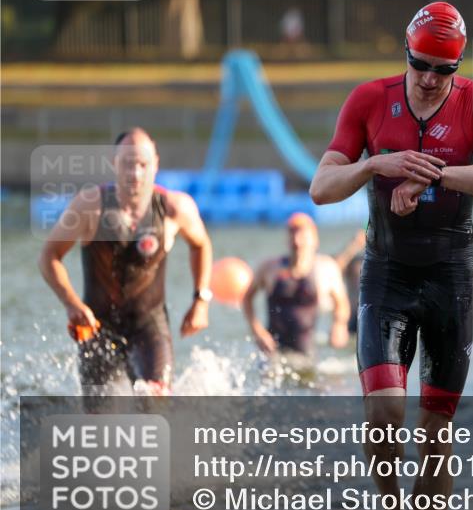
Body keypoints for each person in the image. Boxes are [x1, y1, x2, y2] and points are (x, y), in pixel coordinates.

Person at [309, 1, 473, 510]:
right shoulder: (369, 99)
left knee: (435, 431)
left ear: (459, 67)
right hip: (386, 271)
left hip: (451, 275)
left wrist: (433, 172)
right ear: (404, 52)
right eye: (421, 64)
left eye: (443, 69)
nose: (430, 79)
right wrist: (373, 166)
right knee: (383, 412)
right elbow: (322, 187)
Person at [38, 128, 213, 408]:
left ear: (155, 165)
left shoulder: (174, 208)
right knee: (101, 423)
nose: (135, 173)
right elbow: (49, 256)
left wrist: (201, 299)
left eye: (143, 165)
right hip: (97, 328)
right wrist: (70, 303)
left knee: (155, 406)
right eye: (127, 164)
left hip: (149, 326)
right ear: (114, 164)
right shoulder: (89, 206)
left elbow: (201, 245)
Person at [241, 213, 351, 360]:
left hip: (305, 356)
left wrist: (339, 325)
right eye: (293, 235)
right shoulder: (269, 268)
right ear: (287, 239)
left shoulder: (326, 268)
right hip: (272, 353)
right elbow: (247, 298)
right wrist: (257, 331)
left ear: (315, 240)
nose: (297, 242)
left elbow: (341, 303)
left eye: (303, 236)